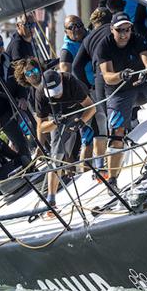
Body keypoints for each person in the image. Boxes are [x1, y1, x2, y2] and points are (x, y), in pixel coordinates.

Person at [96, 12, 147, 184]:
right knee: (117, 132)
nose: (125, 33)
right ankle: (112, 179)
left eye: (127, 29)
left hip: (141, 85)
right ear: (112, 29)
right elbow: (107, 76)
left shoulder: (137, 38)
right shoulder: (104, 46)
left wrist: (146, 72)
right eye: (120, 30)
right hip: (119, 92)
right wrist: (121, 75)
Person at [34, 70, 96, 209]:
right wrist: (54, 123)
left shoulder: (70, 81)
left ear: (61, 80)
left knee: (99, 127)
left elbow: (91, 107)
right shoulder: (40, 94)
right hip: (58, 119)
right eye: (52, 92)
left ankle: (102, 172)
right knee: (57, 157)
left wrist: (81, 122)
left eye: (57, 90)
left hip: (80, 110)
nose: (56, 95)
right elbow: (42, 127)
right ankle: (51, 199)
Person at [72, 8, 113, 166]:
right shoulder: (69, 48)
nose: (77, 29)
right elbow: (73, 67)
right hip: (91, 91)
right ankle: (99, 167)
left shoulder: (88, 39)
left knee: (100, 127)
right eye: (73, 27)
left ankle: (98, 166)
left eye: (79, 25)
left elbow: (77, 67)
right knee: (99, 127)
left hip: (94, 87)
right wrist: (87, 87)